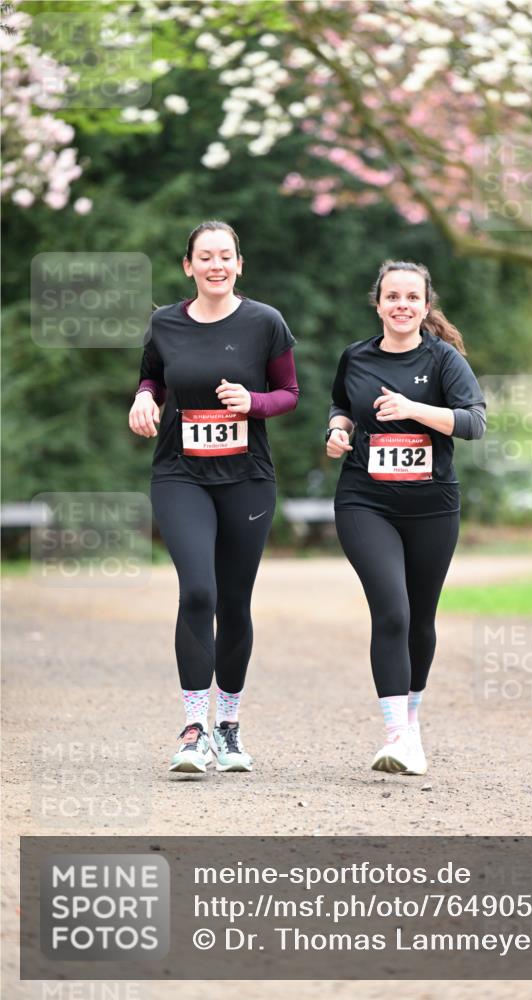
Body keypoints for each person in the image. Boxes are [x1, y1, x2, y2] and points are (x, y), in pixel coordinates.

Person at [129, 221, 298, 775]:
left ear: (239, 264)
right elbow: (153, 378)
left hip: (247, 478)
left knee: (234, 601)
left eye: (226, 255)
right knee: (197, 591)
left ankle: (228, 726)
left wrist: (253, 402)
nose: (216, 265)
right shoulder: (164, 323)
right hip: (181, 474)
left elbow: (289, 394)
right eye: (205, 257)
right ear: (188, 266)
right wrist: (143, 400)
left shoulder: (265, 323)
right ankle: (193, 727)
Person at [326, 260, 485, 776]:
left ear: (425, 305)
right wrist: (338, 431)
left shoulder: (443, 360)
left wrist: (413, 409)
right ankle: (395, 734)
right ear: (378, 303)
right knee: (391, 610)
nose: (401, 305)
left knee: (420, 618)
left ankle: (411, 725)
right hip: (365, 500)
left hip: (431, 506)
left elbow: (473, 422)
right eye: (392, 296)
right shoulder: (355, 357)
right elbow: (340, 406)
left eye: (411, 297)